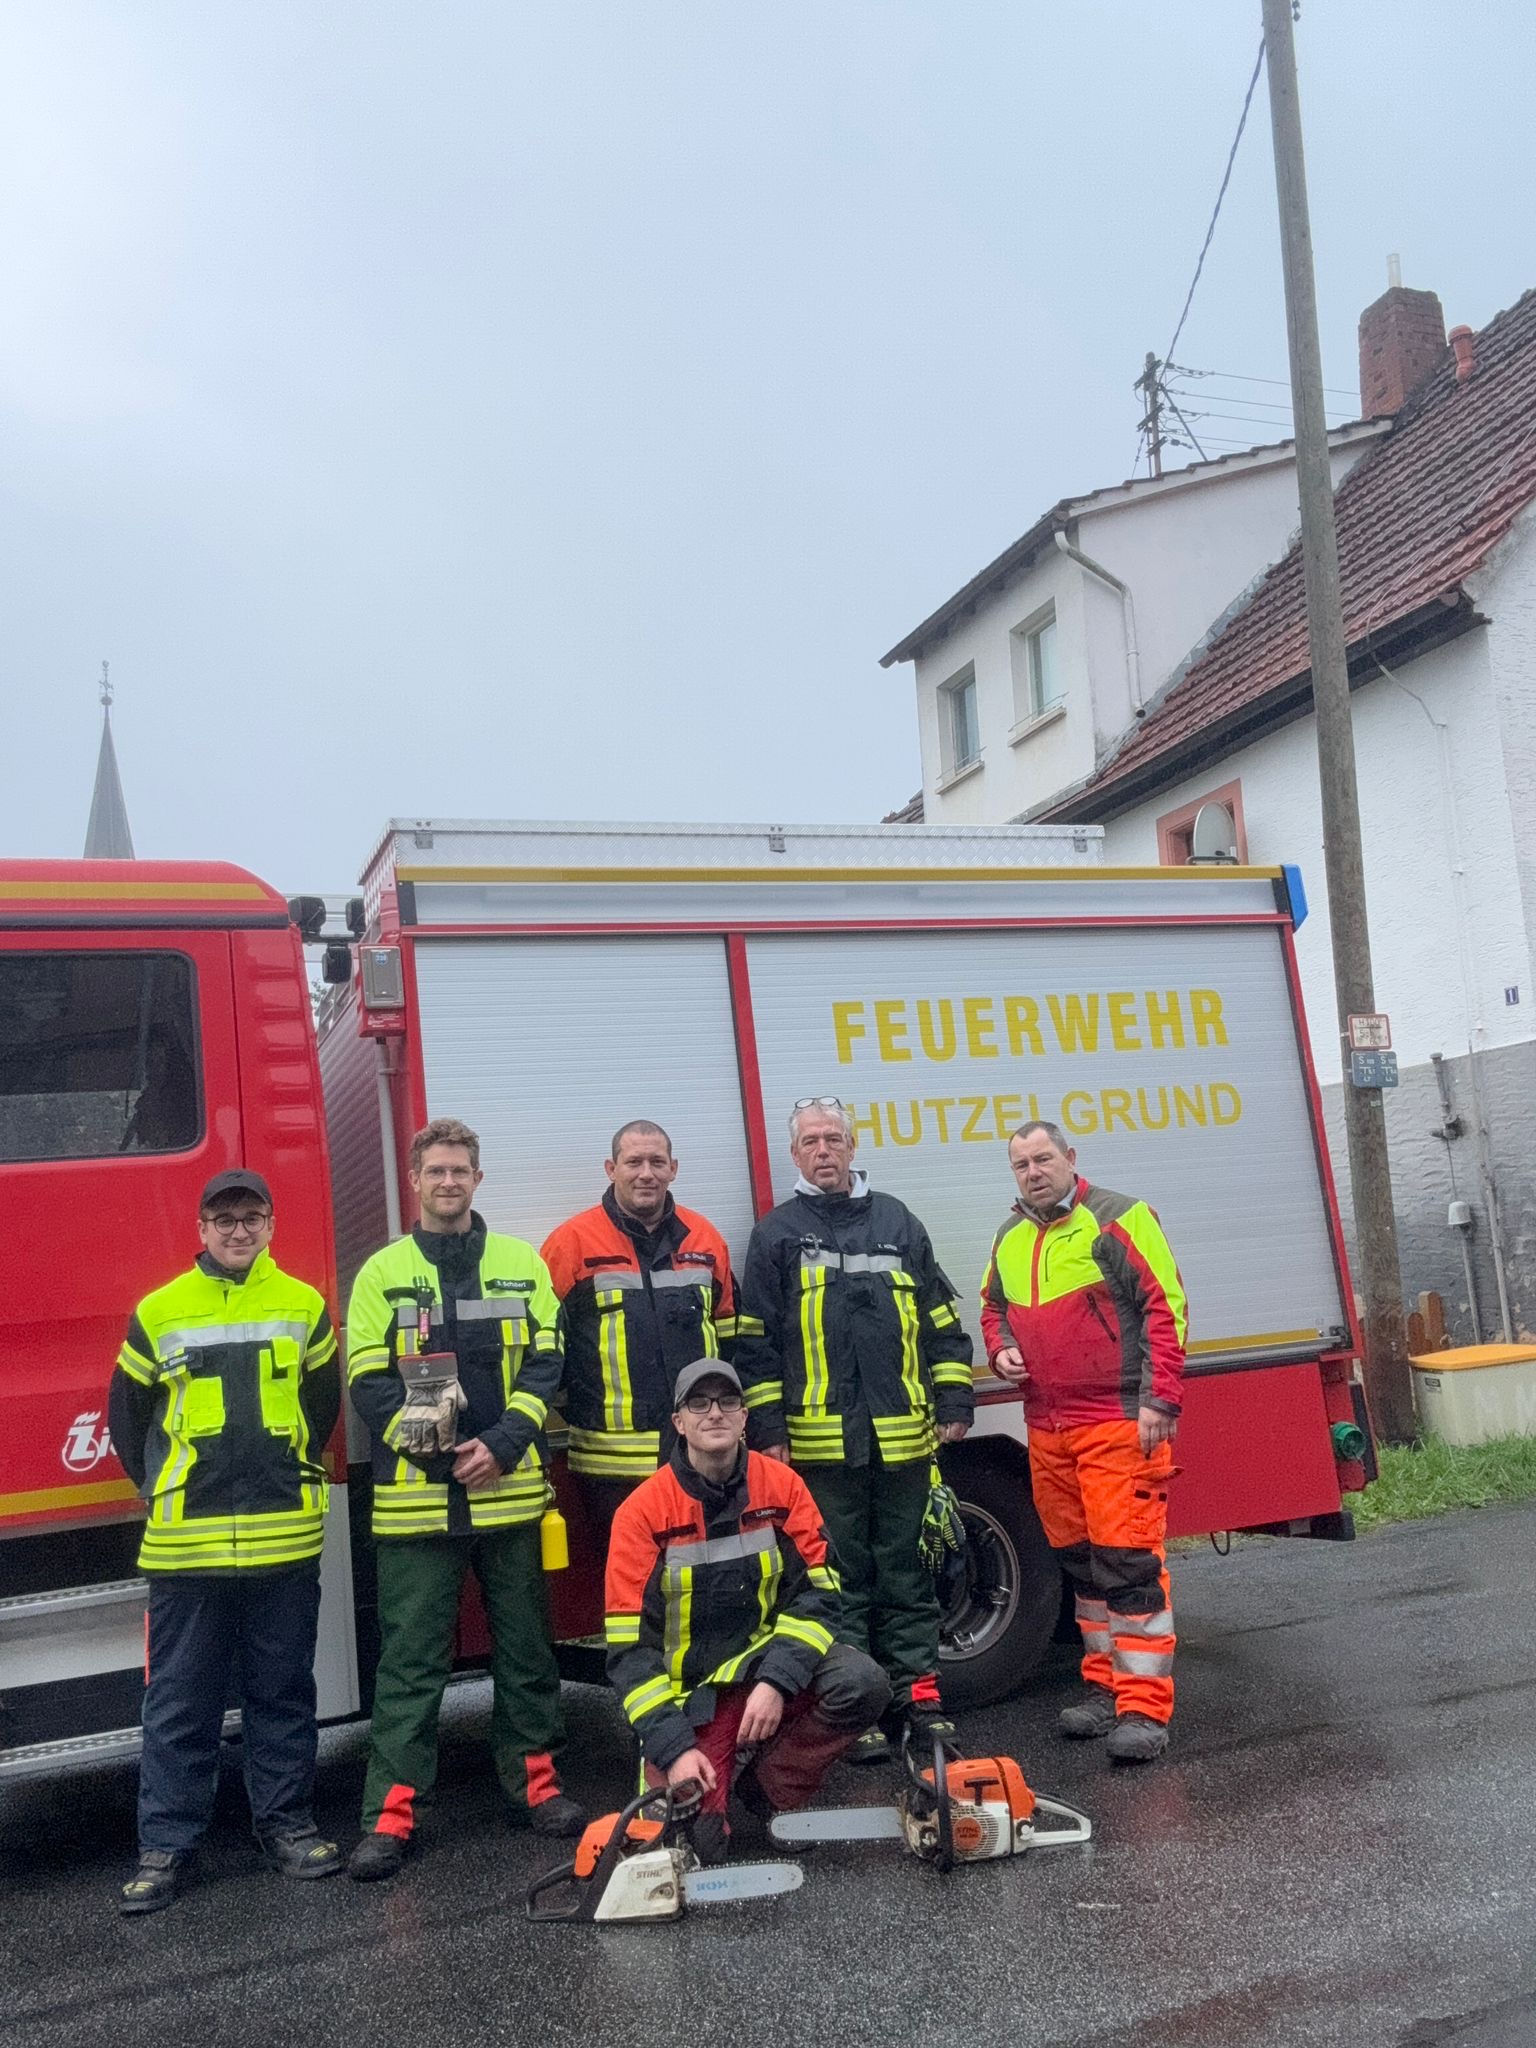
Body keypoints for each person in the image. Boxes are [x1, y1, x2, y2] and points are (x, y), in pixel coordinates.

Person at [345, 1117, 583, 1880]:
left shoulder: (520, 1263)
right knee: (411, 1664)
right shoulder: (382, 1272)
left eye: (460, 1171)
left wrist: (505, 1443)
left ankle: (536, 1790)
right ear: (413, 1181)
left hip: (509, 1497)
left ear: (479, 1179)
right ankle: (390, 1816)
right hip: (419, 1507)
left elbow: (549, 1359)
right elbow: (367, 1380)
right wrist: (446, 1455)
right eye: (435, 1171)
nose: (448, 1182)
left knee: (524, 1653)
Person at [107, 1169, 342, 1914]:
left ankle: (287, 1827)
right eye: (224, 1219)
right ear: (201, 1229)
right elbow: (127, 1419)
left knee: (281, 1692)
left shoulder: (305, 1305)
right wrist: (162, 1490)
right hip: (187, 1545)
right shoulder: (159, 1310)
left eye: (251, 1217)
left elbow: (322, 1407)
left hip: (282, 1537)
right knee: (180, 1702)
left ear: (270, 1225)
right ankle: (166, 1848)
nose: (238, 1231)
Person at [735, 1096, 974, 1763]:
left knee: (907, 1573)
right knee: (837, 1578)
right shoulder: (777, 1234)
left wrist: (954, 1396)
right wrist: (768, 1427)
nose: (823, 1150)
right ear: (795, 1154)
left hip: (903, 1444)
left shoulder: (898, 1221)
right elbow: (756, 1342)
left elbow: (940, 1322)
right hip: (818, 1450)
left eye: (833, 1138)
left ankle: (919, 1700)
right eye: (810, 1140)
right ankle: (861, 1706)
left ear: (852, 1144)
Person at [604, 1358, 890, 1859]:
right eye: (699, 1403)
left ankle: (770, 1788)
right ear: (679, 1422)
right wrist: (672, 1749)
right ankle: (705, 1785)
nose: (714, 1413)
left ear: (743, 1419)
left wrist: (777, 1681)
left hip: (763, 1672)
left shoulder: (782, 1486)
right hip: (687, 1699)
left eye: (728, 1401)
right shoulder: (642, 1513)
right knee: (696, 1849)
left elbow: (822, 1593)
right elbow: (629, 1652)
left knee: (861, 1682)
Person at [980, 1120, 1188, 1763]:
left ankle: (1144, 1710)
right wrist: (1001, 1349)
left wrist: (1160, 1400)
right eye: (1021, 1164)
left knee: (1127, 1565)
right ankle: (1104, 1690)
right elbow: (993, 1308)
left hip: (1117, 1422)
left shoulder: (1118, 1218)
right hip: (1048, 1426)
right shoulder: (1011, 1236)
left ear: (1071, 1159)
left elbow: (1166, 1305)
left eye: (1044, 1158)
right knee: (1082, 1567)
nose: (1034, 1171)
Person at [541, 1119, 736, 1552]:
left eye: (656, 1162)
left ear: (674, 1169)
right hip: (609, 1467)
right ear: (611, 1169)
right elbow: (545, 1353)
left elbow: (733, 1341)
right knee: (631, 1585)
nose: (645, 1173)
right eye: (633, 1162)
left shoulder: (705, 1239)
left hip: (700, 1456)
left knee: (705, 1575)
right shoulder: (570, 1243)